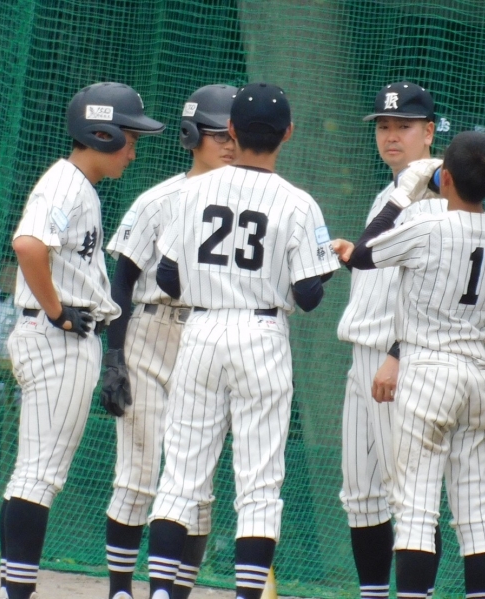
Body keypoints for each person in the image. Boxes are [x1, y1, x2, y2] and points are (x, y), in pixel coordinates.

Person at [144, 82, 340, 599]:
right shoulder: (298, 203)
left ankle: (160, 590)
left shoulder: (193, 191)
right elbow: (309, 296)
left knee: (181, 474)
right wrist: (328, 267)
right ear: (288, 134)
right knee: (258, 483)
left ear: (231, 130)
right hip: (261, 335)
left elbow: (167, 277)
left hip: (202, 330)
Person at [0, 82, 164, 599]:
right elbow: (28, 245)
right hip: (56, 338)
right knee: (39, 476)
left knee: (34, 474)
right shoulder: (66, 183)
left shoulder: (78, 185)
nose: (133, 150)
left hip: (55, 336)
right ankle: (15, 592)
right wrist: (57, 311)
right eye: (129, 138)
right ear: (101, 133)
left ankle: (13, 589)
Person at [334, 130, 485, 599]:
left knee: (415, 509)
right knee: (476, 514)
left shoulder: (429, 226)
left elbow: (362, 254)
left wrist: (403, 194)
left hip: (428, 369)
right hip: (477, 374)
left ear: (446, 177)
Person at [101, 84, 237, 599]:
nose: (229, 144)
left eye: (235, 135)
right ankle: (120, 590)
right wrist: (114, 356)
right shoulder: (158, 200)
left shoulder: (253, 202)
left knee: (196, 485)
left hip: (210, 337)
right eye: (218, 135)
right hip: (151, 334)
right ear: (191, 135)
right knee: (137, 472)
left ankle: (173, 594)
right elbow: (121, 282)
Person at [335, 80, 445, 599]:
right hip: (364, 356)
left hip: (400, 359)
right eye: (383, 126)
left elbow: (435, 291)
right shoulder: (392, 191)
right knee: (360, 495)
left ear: (430, 131)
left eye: (404, 126)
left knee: (409, 496)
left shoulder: (436, 198)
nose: (391, 135)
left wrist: (399, 355)